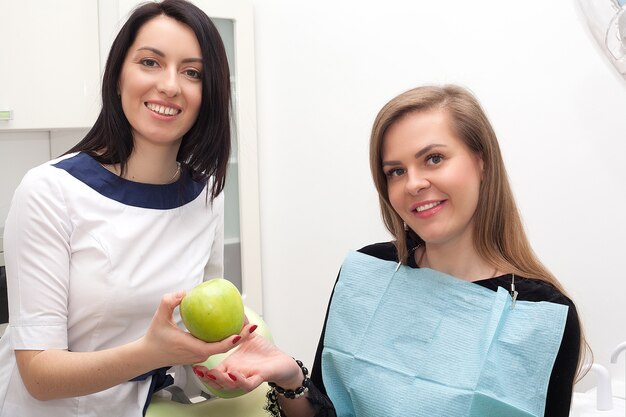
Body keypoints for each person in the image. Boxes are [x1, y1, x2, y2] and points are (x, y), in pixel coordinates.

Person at [193, 85, 586, 417]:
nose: (413, 183)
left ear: (481, 162)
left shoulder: (542, 315)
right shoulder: (368, 271)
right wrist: (290, 379)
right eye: (395, 171)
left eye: (434, 158)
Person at [0, 1, 256, 416]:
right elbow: (39, 374)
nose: (170, 86)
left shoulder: (206, 195)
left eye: (192, 72)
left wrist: (224, 366)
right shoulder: (50, 191)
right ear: (119, 74)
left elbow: (195, 331)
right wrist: (151, 353)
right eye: (150, 62)